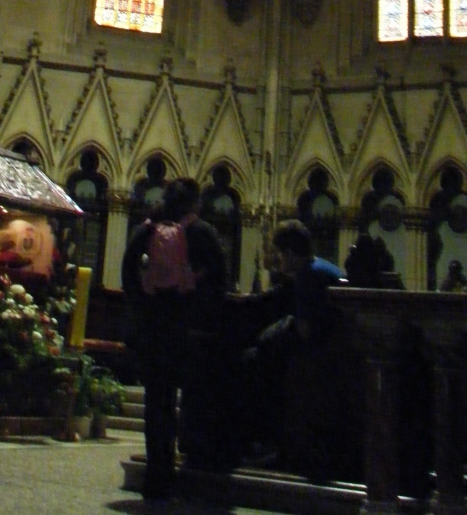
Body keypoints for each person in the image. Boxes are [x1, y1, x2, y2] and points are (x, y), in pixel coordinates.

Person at [122, 178, 226, 501]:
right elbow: (220, 280)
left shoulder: (146, 230)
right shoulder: (203, 233)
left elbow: (128, 273)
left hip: (154, 331)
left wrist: (145, 307)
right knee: (193, 400)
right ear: (195, 203)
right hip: (189, 333)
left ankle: (157, 477)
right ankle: (191, 465)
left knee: (157, 403)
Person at [244, 220, 344, 467]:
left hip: (321, 356)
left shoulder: (308, 276)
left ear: (289, 253)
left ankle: (269, 443)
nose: (278, 261)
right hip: (337, 348)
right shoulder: (323, 267)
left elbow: (304, 330)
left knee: (254, 361)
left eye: (279, 254)